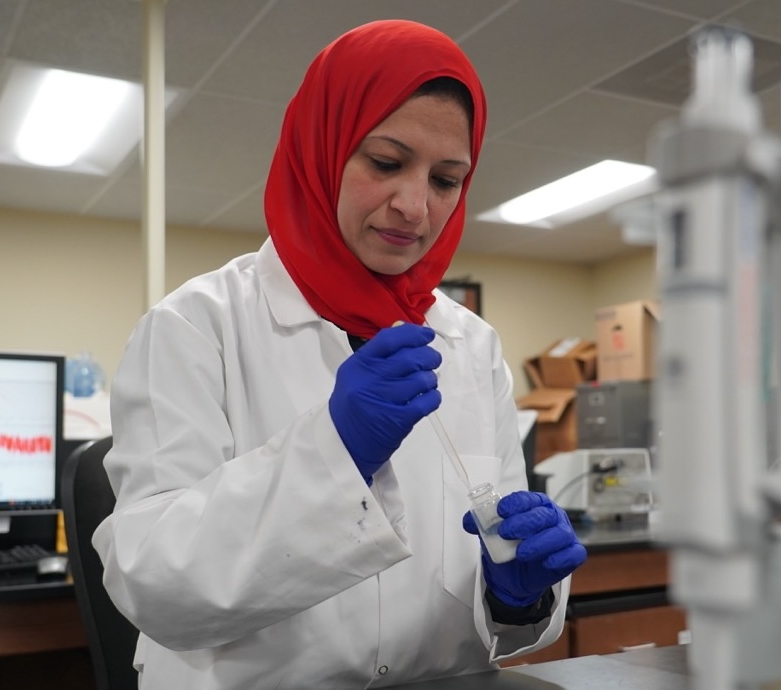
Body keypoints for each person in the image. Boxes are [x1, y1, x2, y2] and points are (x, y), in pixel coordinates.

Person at [92, 19, 587, 689]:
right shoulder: (194, 326)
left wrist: (516, 596)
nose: (414, 205)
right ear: (321, 148)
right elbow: (152, 582)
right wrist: (335, 452)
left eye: (447, 180)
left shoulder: (472, 346)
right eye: (386, 162)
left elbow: (497, 614)